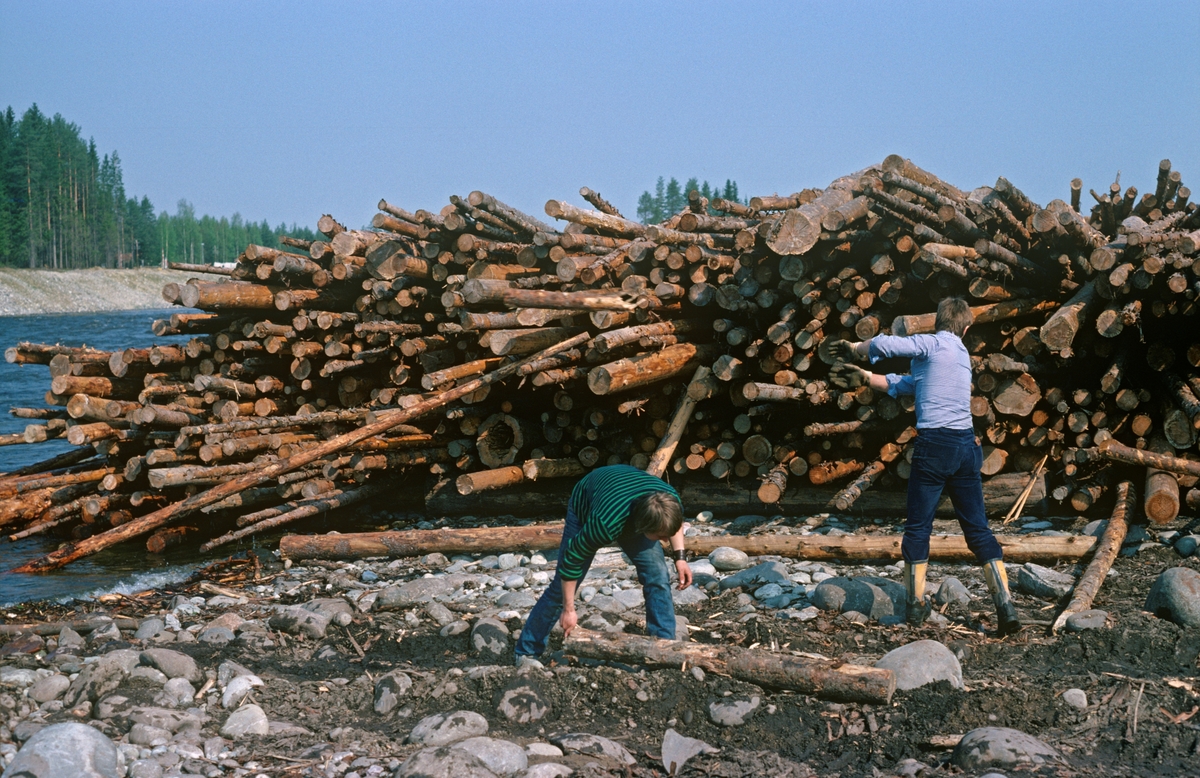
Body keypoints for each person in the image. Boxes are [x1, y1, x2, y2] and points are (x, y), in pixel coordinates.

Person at [826, 297, 1020, 635]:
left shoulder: (931, 343)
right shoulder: (960, 357)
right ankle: (1005, 606)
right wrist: (865, 376)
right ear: (967, 328)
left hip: (934, 446)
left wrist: (856, 347)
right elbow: (908, 385)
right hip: (965, 447)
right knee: (978, 530)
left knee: (918, 528)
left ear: (937, 324)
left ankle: (914, 609)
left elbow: (887, 343)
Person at [513, 464, 693, 663]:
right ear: (641, 527)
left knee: (658, 575)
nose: (665, 541)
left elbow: (673, 525)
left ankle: (663, 649)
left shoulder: (669, 501)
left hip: (626, 488)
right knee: (561, 588)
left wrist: (680, 558)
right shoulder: (604, 524)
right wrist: (569, 609)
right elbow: (571, 561)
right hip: (589, 497)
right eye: (661, 536)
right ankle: (527, 652)